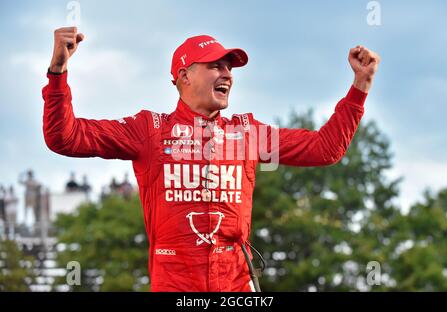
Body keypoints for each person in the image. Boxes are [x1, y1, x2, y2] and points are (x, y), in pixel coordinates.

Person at [42, 27, 380, 292]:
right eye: (215, 65)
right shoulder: (149, 130)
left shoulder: (247, 135)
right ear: (184, 75)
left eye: (229, 67)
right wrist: (58, 71)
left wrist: (360, 86)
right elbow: (65, 137)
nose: (227, 73)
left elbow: (325, 149)